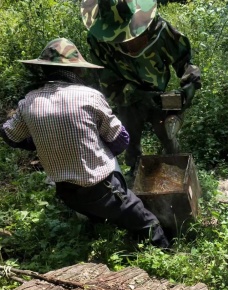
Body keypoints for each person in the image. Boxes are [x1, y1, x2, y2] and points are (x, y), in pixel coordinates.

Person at [0, 38, 170, 249]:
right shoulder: (89, 96)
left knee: (94, 210)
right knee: (148, 223)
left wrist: (42, 139)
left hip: (66, 192)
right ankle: (167, 254)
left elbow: (10, 136)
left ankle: (98, 223)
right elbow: (121, 140)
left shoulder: (28, 103)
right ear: (77, 71)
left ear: (43, 70)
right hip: (101, 188)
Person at [80, 0, 202, 176]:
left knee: (168, 137)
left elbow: (184, 62)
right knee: (130, 140)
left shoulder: (160, 29)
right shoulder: (98, 41)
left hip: (159, 95)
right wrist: (137, 95)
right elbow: (107, 81)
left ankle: (182, 173)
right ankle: (135, 176)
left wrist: (189, 87)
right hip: (128, 99)